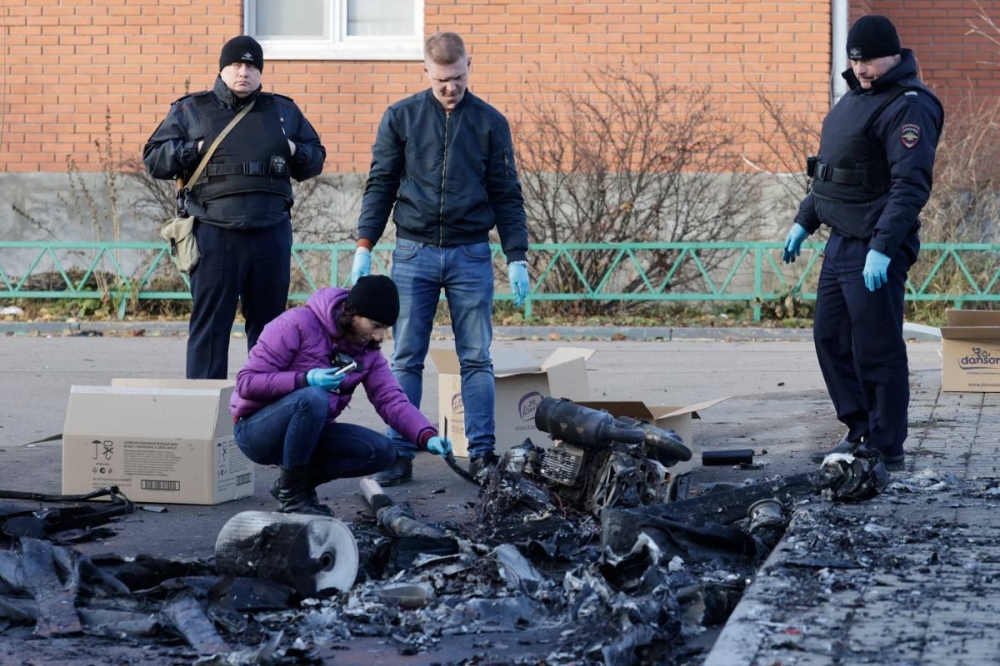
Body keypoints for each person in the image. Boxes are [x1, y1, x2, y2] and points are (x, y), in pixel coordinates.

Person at [350, 32, 530, 486]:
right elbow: (381, 184)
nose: (450, 87)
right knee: (406, 358)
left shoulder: (491, 122)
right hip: (414, 251)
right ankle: (398, 452)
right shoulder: (401, 117)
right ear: (424, 71)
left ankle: (483, 455)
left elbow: (507, 194)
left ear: (471, 65)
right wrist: (364, 245)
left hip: (471, 251)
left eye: (458, 77)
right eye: (442, 79)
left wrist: (517, 256)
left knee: (476, 358)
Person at [781, 15, 944, 470]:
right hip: (840, 241)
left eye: (870, 60)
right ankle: (858, 429)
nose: (862, 68)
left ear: (894, 55)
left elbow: (910, 185)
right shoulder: (854, 99)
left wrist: (884, 246)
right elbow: (835, 173)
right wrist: (804, 220)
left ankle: (886, 445)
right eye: (856, 60)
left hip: (875, 246)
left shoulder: (909, 106)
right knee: (830, 338)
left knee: (876, 347)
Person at [144, 36, 326, 380]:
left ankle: (267, 413)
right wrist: (194, 148)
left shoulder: (284, 111)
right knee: (210, 329)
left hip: (270, 233)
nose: (243, 72)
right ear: (222, 69)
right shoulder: (191, 109)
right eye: (236, 65)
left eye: (251, 66)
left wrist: (291, 149)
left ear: (260, 72)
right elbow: (154, 159)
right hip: (215, 232)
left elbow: (314, 160)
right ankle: (203, 414)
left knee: (273, 333)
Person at [229, 275, 452, 515]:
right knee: (313, 397)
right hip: (256, 431)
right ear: (351, 313)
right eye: (375, 325)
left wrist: (426, 435)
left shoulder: (367, 353)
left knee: (382, 450)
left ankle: (291, 484)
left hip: (307, 435)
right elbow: (246, 383)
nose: (379, 336)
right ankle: (293, 499)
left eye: (385, 329)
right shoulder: (295, 323)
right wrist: (304, 379)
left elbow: (391, 399)